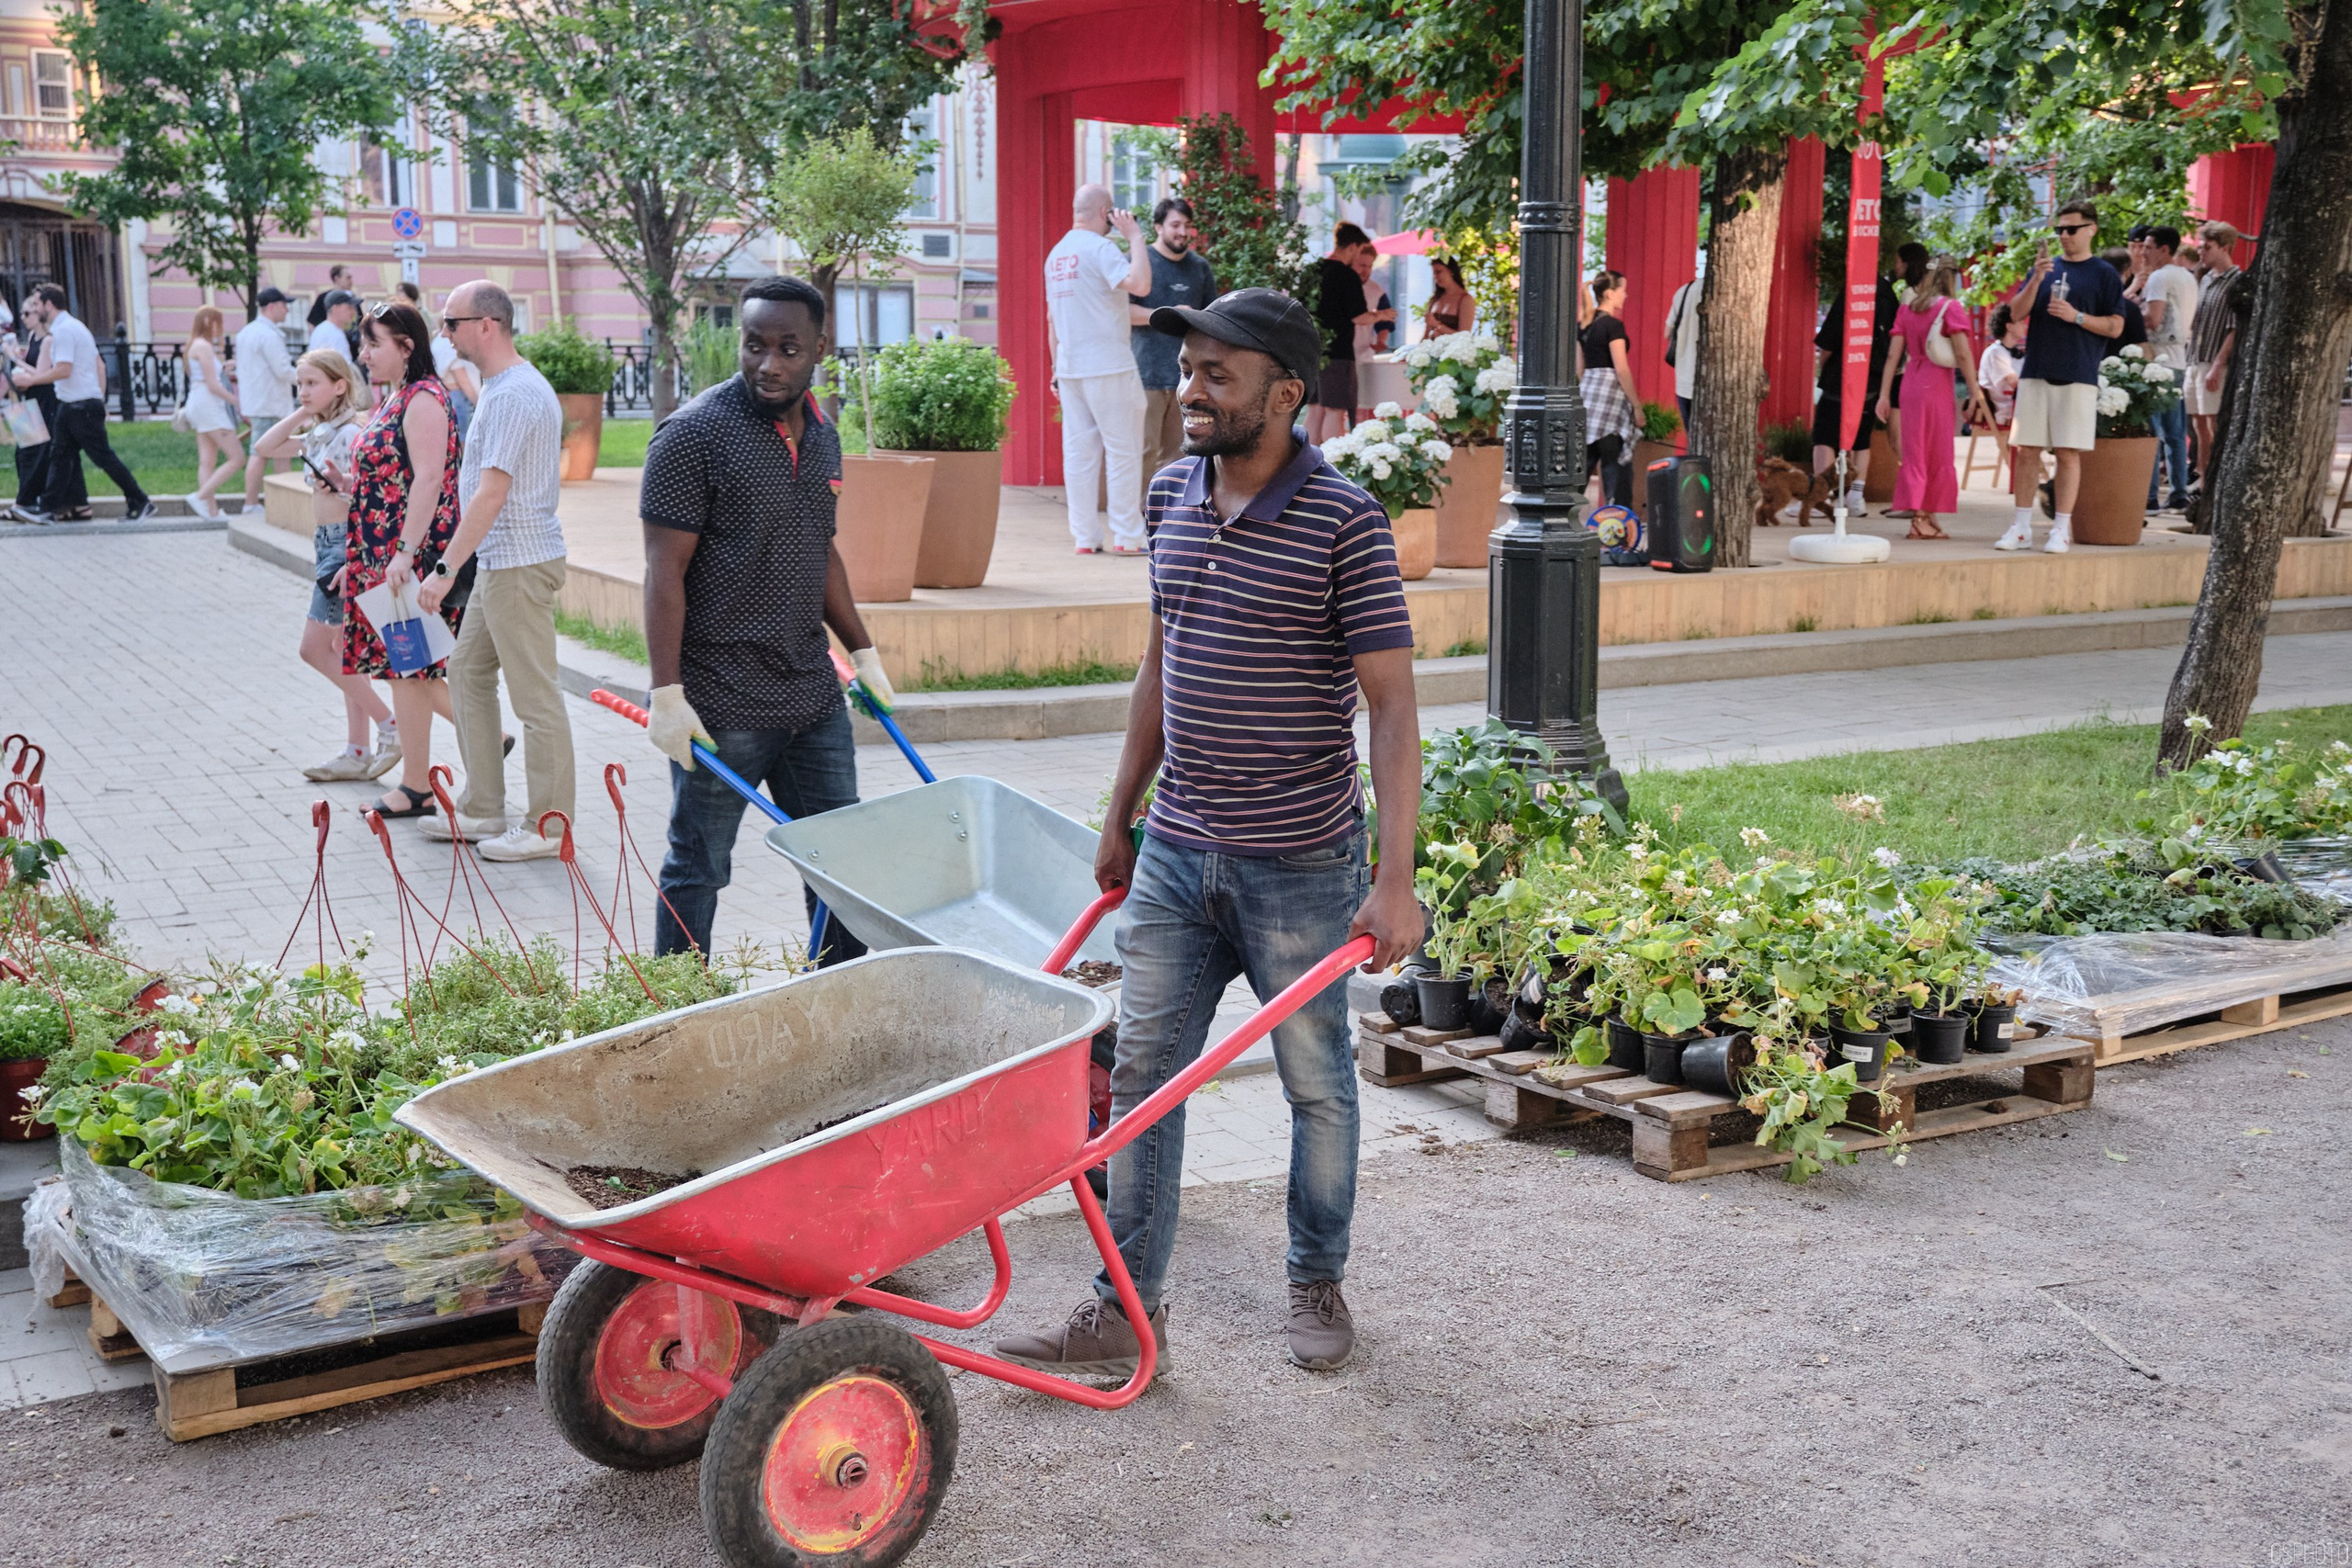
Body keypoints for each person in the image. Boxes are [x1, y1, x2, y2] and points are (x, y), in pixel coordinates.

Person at [991, 288, 1422, 1379]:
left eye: (1216, 374)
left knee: (1315, 1082)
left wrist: (1395, 878)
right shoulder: (1170, 491)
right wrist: (1119, 815)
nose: (1190, 389)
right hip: (1179, 852)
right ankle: (1122, 1309)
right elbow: (1159, 663)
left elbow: (1392, 707)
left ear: (1285, 395)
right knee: (1143, 1076)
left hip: (1300, 863)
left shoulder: (1344, 522)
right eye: (1187, 369)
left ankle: (1315, 1277)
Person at [639, 275, 895, 965]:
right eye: (755, 345)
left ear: (819, 349)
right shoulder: (693, 436)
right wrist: (667, 694)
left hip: (812, 695)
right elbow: (663, 573)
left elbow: (819, 548)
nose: (769, 363)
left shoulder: (824, 436)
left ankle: (841, 991)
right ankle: (681, 1003)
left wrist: (863, 653)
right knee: (698, 866)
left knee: (840, 860)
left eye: (788, 348)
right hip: (722, 702)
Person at [415, 280, 574, 862]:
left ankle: (548, 827)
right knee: (466, 672)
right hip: (503, 560)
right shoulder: (502, 388)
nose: (444, 333)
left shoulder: (513, 394)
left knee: (536, 699)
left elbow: (492, 493)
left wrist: (443, 569)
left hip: (519, 563)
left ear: (486, 325)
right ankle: (482, 808)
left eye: (451, 322)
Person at [336, 299, 464, 818]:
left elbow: (430, 480)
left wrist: (406, 554)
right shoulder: (398, 396)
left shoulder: (425, 398)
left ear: (407, 347)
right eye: (363, 343)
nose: (364, 354)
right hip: (382, 554)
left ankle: (428, 777)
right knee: (404, 669)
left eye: (373, 344)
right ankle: (419, 783)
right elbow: (394, 473)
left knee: (412, 667)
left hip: (407, 557)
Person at [254, 350, 399, 782]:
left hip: (343, 546)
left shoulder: (352, 433)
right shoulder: (320, 432)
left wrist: (354, 558)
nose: (303, 391)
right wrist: (305, 410)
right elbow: (264, 447)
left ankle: (391, 725)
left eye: (312, 383)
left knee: (314, 649)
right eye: (300, 384)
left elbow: (367, 499)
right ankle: (357, 750)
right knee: (342, 650)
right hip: (326, 545)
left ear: (340, 385)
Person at [1997, 199, 2126, 555]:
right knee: (2027, 451)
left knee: (2068, 452)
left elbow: (2116, 326)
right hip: (2037, 369)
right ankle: (2021, 527)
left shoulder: (2104, 274)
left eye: (2071, 229)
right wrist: (2037, 278)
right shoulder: (2045, 268)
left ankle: (2060, 529)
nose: (2064, 236)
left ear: (2091, 229)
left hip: (2078, 372)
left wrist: (2077, 317)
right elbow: (2015, 314)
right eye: (2059, 230)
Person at [1046, 184, 1153, 556]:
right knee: (1123, 450)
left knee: (1079, 455)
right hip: (1108, 363)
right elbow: (1140, 283)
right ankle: (1127, 535)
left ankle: (1085, 537)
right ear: (1106, 212)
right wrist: (1135, 237)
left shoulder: (1056, 255)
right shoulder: (1100, 248)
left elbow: (1052, 319)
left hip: (1070, 365)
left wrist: (1055, 367)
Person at [11, 285, 154, 525]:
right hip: (71, 404)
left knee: (102, 457)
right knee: (59, 457)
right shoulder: (69, 328)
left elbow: (63, 370)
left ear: (48, 305)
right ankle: (48, 509)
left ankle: (140, 500)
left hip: (81, 406)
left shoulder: (65, 330)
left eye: (36, 304)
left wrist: (32, 380)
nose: (34, 309)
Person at [1875, 258, 1988, 540]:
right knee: (1937, 451)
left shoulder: (1908, 309)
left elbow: (1893, 355)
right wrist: (1974, 390)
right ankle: (1922, 520)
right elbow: (1962, 354)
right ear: (1951, 279)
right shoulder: (1951, 307)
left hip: (1911, 381)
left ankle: (1925, 516)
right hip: (1936, 384)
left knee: (1915, 452)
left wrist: (1884, 395)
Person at [1128, 197, 1216, 506]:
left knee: (1180, 453)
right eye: (1175, 225)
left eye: (1187, 226)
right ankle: (1135, 518)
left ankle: (1169, 515)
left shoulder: (1199, 267)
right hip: (1146, 373)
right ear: (1158, 227)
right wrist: (1169, 314)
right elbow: (1123, 312)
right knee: (1142, 450)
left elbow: (1211, 317)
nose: (1182, 232)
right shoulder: (1140, 261)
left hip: (1188, 378)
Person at [1812, 261, 1899, 513]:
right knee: (1861, 438)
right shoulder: (1888, 294)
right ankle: (1856, 497)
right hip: (1874, 377)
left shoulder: (1853, 290)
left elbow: (1830, 338)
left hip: (1842, 375)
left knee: (1824, 436)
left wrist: (1825, 366)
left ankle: (1824, 497)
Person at [1307, 224, 1389, 444]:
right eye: (1359, 249)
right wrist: (1381, 315)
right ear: (1352, 246)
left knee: (1315, 410)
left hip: (1311, 351)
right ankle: (1332, 460)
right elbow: (1359, 317)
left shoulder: (1312, 271)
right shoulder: (1347, 275)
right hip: (1338, 353)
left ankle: (1307, 459)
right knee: (1334, 411)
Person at [2139, 224, 2196, 512]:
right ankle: (2178, 492)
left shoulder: (2159, 277)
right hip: (2179, 360)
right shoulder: (2188, 277)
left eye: (2148, 247)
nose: (2143, 253)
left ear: (2164, 249)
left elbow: (2153, 319)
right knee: (2175, 433)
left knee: (2153, 432)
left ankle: (2149, 496)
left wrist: (2133, 309)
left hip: (2157, 362)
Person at [2185, 220, 2242, 494]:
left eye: (2207, 247)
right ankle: (2203, 473)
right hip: (2195, 356)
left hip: (2213, 360)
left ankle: (2216, 478)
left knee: (2213, 420)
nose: (2201, 252)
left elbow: (2235, 328)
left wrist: (2218, 365)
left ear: (2225, 248)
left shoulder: (2236, 281)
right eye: (2199, 247)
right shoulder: (2206, 278)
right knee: (2197, 421)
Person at [232, 288, 299, 513]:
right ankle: (251, 503)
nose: (287, 310)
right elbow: (283, 370)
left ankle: (284, 504)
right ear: (272, 306)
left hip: (260, 402)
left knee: (279, 452)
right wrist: (309, 379)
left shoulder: (247, 332)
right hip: (270, 403)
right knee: (260, 453)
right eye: (284, 305)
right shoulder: (269, 335)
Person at [1578, 270, 1639, 509]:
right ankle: (1618, 520)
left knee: (1582, 464)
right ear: (1610, 293)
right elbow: (1621, 369)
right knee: (1615, 465)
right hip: (1610, 400)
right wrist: (1636, 406)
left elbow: (1580, 369)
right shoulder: (1613, 326)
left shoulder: (1583, 326)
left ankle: (1564, 519)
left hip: (1588, 396)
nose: (1625, 295)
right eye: (1622, 290)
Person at [180, 307, 245, 521]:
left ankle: (211, 511)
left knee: (207, 460)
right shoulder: (204, 346)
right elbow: (212, 384)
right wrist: (236, 401)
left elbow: (206, 377)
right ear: (210, 322)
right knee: (237, 458)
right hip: (209, 406)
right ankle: (200, 497)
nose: (221, 328)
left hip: (199, 404)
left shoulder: (195, 345)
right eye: (219, 323)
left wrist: (223, 368)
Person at [2, 301, 61, 516]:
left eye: (27, 313)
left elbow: (41, 374)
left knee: (35, 453)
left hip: (43, 400)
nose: (23, 318)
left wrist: (14, 358)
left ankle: (26, 502)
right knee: (23, 453)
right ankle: (24, 500)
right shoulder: (33, 338)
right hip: (29, 398)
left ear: (39, 315)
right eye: (22, 313)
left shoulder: (48, 340)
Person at [1977, 302, 2028, 477]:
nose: (2024, 326)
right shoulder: (1995, 352)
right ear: (2009, 326)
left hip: (2019, 406)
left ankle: (2042, 475)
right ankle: (2033, 475)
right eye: (2020, 322)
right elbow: (2015, 383)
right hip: (2006, 410)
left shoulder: (2014, 352)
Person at [1351, 248, 1394, 418]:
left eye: (1369, 266)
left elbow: (1385, 323)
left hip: (1364, 355)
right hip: (1339, 355)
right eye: (1362, 265)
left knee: (1363, 404)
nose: (1365, 270)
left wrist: (1381, 340)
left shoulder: (1377, 292)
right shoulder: (1342, 287)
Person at [1662, 275, 1701, 434]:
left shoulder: (1684, 291)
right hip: (1715, 383)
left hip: (1685, 380)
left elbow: (1667, 333)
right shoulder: (1725, 293)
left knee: (1692, 436)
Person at [1424, 256, 1476, 338]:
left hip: (1453, 345)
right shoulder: (1435, 299)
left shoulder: (1465, 300)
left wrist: (1438, 325)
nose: (1436, 277)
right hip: (1431, 344)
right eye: (1434, 274)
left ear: (1451, 271)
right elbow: (1426, 335)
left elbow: (1464, 336)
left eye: (1439, 272)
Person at [309, 291, 359, 369]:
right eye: (349, 308)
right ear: (335, 309)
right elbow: (344, 369)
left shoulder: (324, 329)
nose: (354, 312)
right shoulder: (332, 334)